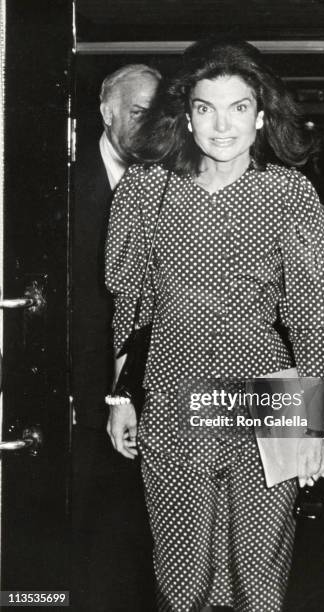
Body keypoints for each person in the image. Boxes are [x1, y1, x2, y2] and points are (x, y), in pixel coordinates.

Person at [105, 39, 324, 612]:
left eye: (238, 107)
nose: (221, 125)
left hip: (267, 400)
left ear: (260, 117)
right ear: (186, 116)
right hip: (170, 400)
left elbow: (310, 315)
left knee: (259, 583)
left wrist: (314, 430)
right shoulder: (145, 189)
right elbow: (130, 302)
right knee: (185, 585)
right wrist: (119, 398)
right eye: (206, 108)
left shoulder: (288, 193)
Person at [72, 64, 161, 612]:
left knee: (140, 524)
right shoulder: (60, 178)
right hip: (77, 375)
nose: (150, 127)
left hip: (147, 377)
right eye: (137, 113)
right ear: (105, 113)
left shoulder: (169, 180)